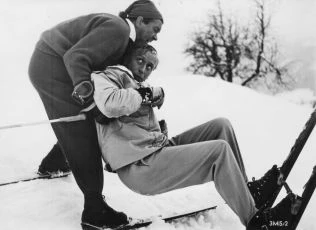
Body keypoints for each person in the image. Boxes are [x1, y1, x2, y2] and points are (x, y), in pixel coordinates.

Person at [92, 44, 299, 230]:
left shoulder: (134, 83)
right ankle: (257, 223)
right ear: (127, 57)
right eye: (140, 61)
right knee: (219, 152)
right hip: (138, 167)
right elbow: (110, 103)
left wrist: (156, 124)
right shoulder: (109, 76)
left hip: (152, 151)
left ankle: (247, 193)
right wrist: (150, 94)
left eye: (150, 67)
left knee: (221, 125)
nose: (144, 68)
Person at [28, 0, 163, 228]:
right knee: (83, 130)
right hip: (50, 66)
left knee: (82, 122)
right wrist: (88, 100)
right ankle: (94, 211)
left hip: (50, 63)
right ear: (140, 20)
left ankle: (54, 163)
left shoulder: (122, 36)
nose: (156, 36)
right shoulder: (118, 29)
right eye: (155, 29)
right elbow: (75, 58)